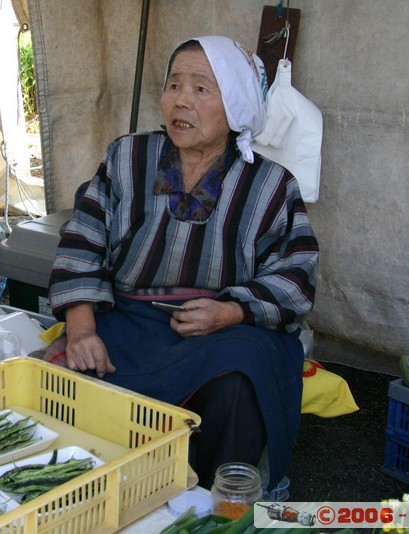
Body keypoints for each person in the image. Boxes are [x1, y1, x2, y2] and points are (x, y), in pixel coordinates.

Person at [48, 35, 319, 491]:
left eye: (201, 89)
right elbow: (82, 239)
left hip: (224, 330)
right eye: (174, 85)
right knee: (69, 378)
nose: (181, 101)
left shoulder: (272, 184)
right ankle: (102, 492)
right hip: (128, 320)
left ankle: (220, 504)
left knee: (238, 378)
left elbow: (296, 274)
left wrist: (230, 311)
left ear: (234, 105)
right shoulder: (127, 156)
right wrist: (82, 329)